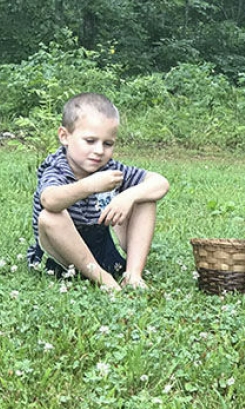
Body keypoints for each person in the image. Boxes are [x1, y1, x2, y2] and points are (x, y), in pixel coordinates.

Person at [26, 92, 170, 291]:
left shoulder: (108, 168)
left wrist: (129, 195)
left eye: (107, 143)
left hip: (102, 251)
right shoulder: (57, 167)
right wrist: (89, 185)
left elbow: (160, 183)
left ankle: (133, 275)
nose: (99, 151)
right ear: (64, 136)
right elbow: (49, 200)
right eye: (90, 141)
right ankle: (105, 280)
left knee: (145, 197)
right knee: (50, 217)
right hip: (60, 259)